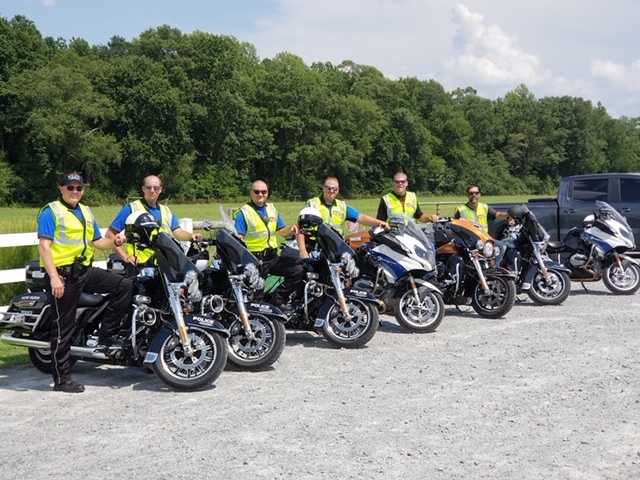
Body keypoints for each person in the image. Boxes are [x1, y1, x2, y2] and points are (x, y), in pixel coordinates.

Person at [37, 172, 133, 393]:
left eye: (78, 188)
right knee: (63, 327)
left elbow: (98, 242)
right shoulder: (51, 211)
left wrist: (116, 241)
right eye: (70, 187)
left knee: (123, 286)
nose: (75, 192)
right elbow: (44, 246)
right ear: (61, 188)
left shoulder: (86, 212)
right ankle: (62, 380)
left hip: (84, 271)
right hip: (62, 275)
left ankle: (106, 336)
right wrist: (54, 278)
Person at [234, 180, 304, 312]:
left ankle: (277, 301)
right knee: (257, 298)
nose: (260, 194)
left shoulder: (272, 209)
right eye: (257, 192)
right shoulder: (244, 213)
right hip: (255, 260)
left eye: (264, 191)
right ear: (251, 193)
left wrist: (291, 229)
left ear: (267, 193)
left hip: (272, 257)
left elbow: (281, 230)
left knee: (297, 271)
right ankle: (258, 318)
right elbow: (239, 238)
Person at [106, 175, 203, 268]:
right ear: (143, 188)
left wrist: (191, 236)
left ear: (160, 190)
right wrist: (125, 257)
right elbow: (110, 234)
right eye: (149, 187)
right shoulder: (131, 208)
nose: (152, 191)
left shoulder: (166, 210)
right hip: (141, 265)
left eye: (156, 188)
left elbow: (178, 232)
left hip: (166, 264)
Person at [296, 177, 389, 259]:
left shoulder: (342, 206)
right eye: (328, 188)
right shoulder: (312, 203)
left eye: (334, 189)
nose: (331, 191)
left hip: (336, 247)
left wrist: (379, 223)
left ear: (338, 190)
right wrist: (302, 251)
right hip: (315, 246)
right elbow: (300, 228)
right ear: (323, 188)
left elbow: (361, 217)